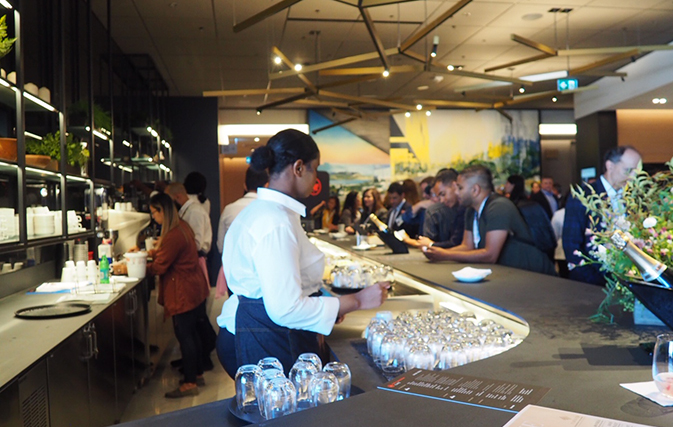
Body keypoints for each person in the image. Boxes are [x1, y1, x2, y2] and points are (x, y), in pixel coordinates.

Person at [217, 129, 389, 377]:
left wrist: (327, 306)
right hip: (264, 337)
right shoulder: (275, 220)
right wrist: (357, 301)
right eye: (314, 168)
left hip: (256, 331)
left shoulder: (266, 211)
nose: (315, 177)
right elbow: (285, 309)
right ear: (299, 168)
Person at [118, 193, 210, 398]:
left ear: (163, 211)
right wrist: (146, 253)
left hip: (184, 291)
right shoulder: (181, 227)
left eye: (154, 213)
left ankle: (189, 383)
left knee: (185, 336)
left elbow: (160, 266)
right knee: (191, 334)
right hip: (192, 288)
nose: (153, 218)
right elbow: (166, 253)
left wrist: (129, 267)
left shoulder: (174, 234)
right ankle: (196, 374)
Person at [423, 165, 556, 276]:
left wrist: (445, 255)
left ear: (475, 190)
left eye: (460, 188)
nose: (456, 192)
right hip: (509, 274)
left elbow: (490, 255)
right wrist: (436, 253)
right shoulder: (471, 210)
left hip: (534, 274)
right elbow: (467, 246)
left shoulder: (499, 207)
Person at [563, 146, 642, 286]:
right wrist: (597, 282)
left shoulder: (631, 197)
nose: (632, 177)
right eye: (628, 170)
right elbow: (571, 245)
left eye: (636, 171)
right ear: (610, 166)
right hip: (591, 285)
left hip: (626, 281)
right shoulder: (584, 196)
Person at [165, 183, 217, 370]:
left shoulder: (193, 212)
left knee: (197, 318)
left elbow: (194, 243)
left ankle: (203, 358)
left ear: (177, 197)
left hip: (195, 263)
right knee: (195, 318)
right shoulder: (189, 210)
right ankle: (195, 359)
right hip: (194, 264)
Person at [217, 167, 269, 254]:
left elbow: (221, 247)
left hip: (233, 265)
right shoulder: (270, 211)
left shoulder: (228, 209)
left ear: (245, 186)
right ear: (266, 185)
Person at [505, 175, 557, 261]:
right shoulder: (529, 203)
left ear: (513, 185)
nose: (505, 185)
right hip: (540, 246)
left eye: (507, 183)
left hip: (526, 249)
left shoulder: (515, 205)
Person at [416, 169, 465, 249]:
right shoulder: (460, 209)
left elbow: (456, 244)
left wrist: (431, 245)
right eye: (439, 197)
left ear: (454, 185)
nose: (441, 200)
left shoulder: (466, 208)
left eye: (443, 194)